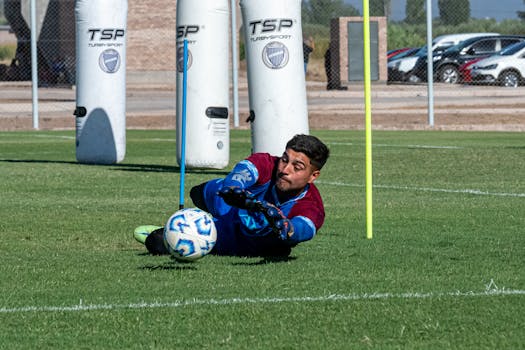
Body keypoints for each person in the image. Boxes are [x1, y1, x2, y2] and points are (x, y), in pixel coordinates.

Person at [135, 134, 330, 257]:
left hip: (237, 240)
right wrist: (233, 188)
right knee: (196, 192)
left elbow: (303, 228)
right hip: (226, 204)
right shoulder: (268, 163)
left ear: (313, 176)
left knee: (157, 242)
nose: (285, 169)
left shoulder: (312, 206)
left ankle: (182, 230)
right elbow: (243, 172)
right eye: (285, 159)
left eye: (297, 167)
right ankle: (197, 213)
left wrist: (286, 227)